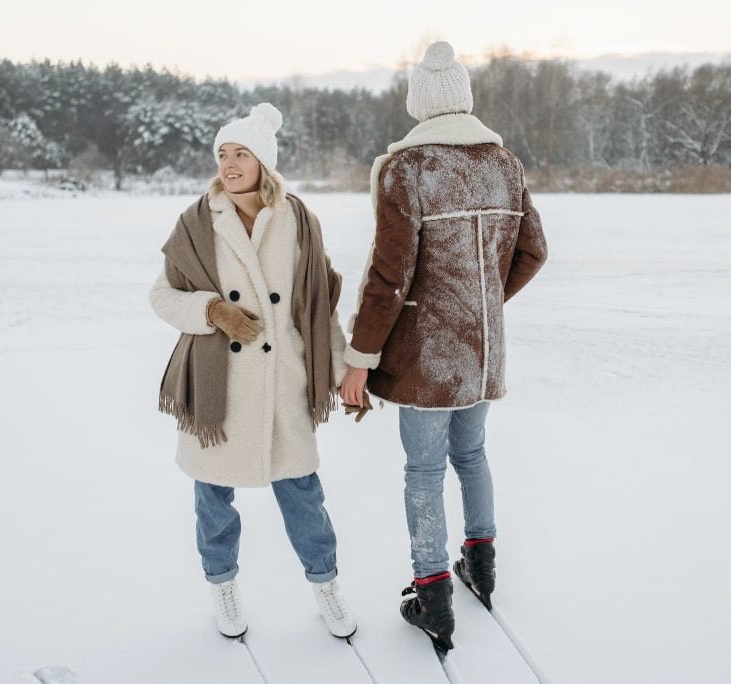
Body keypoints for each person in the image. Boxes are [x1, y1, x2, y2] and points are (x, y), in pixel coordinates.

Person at [339, 42, 548, 651]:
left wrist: (360, 357)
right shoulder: (504, 164)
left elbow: (389, 276)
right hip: (481, 353)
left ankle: (432, 593)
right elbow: (533, 251)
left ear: (420, 104)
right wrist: (481, 305)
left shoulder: (410, 168)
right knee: (473, 455)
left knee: (424, 471)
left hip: (425, 358)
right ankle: (481, 567)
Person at [150, 103, 356, 640]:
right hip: (218, 393)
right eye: (223, 153)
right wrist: (212, 311)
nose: (230, 163)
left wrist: (342, 376)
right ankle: (222, 587)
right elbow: (161, 295)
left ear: (264, 161)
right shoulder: (196, 221)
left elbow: (318, 310)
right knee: (213, 502)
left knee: (304, 496)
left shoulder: (299, 220)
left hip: (285, 381)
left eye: (241, 153)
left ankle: (326, 585)